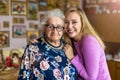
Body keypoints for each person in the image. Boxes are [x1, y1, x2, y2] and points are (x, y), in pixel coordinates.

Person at [18, 9, 78, 80]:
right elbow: (23, 77)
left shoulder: (69, 47)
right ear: (44, 28)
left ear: (63, 29)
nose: (55, 31)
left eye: (59, 27)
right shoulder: (33, 48)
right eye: (50, 26)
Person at [64, 6, 111, 80]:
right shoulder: (71, 40)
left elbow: (91, 78)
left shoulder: (89, 42)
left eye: (74, 22)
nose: (69, 26)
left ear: (82, 23)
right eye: (66, 22)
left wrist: (72, 58)